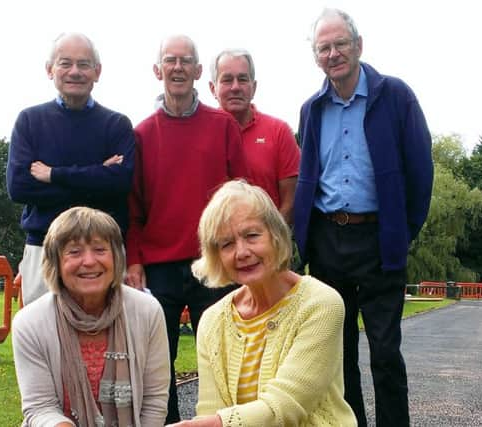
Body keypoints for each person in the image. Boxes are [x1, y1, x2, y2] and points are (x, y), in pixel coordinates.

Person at [294, 8, 434, 427]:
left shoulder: (396, 96)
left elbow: (420, 171)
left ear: (358, 45)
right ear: (316, 55)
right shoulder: (311, 108)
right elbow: (308, 174)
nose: (333, 53)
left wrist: (401, 231)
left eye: (340, 44)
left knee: (385, 351)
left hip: (379, 238)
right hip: (326, 239)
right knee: (338, 354)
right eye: (324, 48)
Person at [124, 35, 249, 423]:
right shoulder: (141, 134)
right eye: (169, 60)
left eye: (186, 61)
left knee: (221, 362)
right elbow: (133, 206)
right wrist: (133, 260)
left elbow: (240, 198)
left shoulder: (222, 126)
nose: (177, 67)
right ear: (157, 70)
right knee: (157, 365)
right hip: (158, 268)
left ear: (198, 71)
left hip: (212, 265)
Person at [166, 180, 356, 427]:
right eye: (227, 244)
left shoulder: (320, 303)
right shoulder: (213, 321)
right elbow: (210, 409)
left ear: (276, 235)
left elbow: (286, 405)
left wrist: (218, 424)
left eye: (252, 235)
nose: (241, 252)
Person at [6, 32, 135, 305]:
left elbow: (119, 184)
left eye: (84, 64)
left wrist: (54, 174)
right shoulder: (29, 121)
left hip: (102, 252)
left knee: (103, 339)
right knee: (42, 337)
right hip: (44, 249)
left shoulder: (117, 125)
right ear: (50, 69)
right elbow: (19, 187)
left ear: (97, 72)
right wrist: (96, 174)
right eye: (65, 63)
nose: (74, 72)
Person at [12, 206, 170, 427]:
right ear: (55, 262)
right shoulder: (29, 323)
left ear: (116, 257)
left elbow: (154, 401)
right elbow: (40, 407)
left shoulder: (147, 311)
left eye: (99, 249)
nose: (88, 261)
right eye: (74, 252)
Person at [209, 49, 300, 224]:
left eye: (242, 79)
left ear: (254, 87)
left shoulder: (279, 131)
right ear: (213, 88)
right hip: (216, 246)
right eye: (227, 80)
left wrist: (268, 239)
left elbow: (291, 201)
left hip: (268, 245)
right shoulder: (202, 134)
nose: (235, 87)